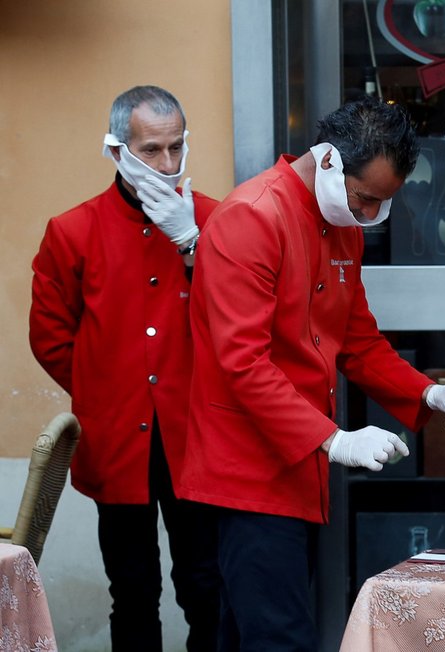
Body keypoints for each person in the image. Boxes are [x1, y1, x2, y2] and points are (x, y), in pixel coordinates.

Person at [176, 96, 445, 651]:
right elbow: (242, 362)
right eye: (367, 198)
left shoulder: (341, 221)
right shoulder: (251, 217)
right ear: (328, 161)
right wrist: (332, 439)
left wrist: (431, 392)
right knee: (279, 637)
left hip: (297, 463)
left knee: (248, 633)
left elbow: (358, 341)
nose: (372, 213)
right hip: (245, 469)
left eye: (385, 202)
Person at [29, 85, 222, 651]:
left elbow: (237, 322)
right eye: (151, 150)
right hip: (118, 441)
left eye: (176, 148)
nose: (167, 164)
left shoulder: (214, 219)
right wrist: (108, 388)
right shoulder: (72, 230)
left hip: (198, 438)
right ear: (116, 150)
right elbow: (51, 337)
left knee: (206, 584)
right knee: (132, 588)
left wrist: (193, 246)